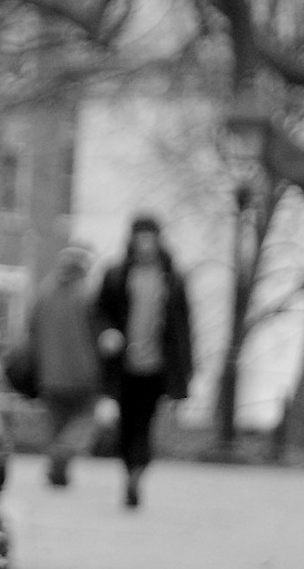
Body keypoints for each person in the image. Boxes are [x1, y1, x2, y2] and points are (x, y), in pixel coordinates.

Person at [92, 215, 193, 509]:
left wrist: (185, 372)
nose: (146, 244)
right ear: (133, 240)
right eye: (141, 237)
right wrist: (106, 332)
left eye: (151, 238)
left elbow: (182, 328)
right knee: (125, 425)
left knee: (144, 425)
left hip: (156, 367)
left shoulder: (172, 278)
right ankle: (130, 470)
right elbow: (98, 312)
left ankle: (137, 473)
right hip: (122, 366)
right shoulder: (116, 275)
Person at [26, 246, 101, 487]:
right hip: (83, 372)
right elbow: (97, 332)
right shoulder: (87, 294)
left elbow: (32, 330)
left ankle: (59, 473)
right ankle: (63, 453)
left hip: (49, 372)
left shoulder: (44, 292)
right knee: (85, 418)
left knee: (57, 424)